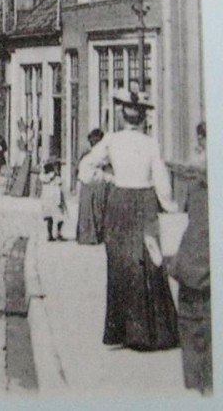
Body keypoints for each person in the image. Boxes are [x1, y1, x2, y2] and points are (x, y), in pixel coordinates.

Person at [79, 88, 179, 351]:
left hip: (119, 202)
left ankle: (122, 331)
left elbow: (85, 169)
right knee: (149, 260)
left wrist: (109, 179)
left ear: (122, 116)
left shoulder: (111, 141)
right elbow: (162, 183)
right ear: (143, 118)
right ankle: (153, 332)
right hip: (145, 201)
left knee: (121, 262)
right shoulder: (150, 143)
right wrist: (169, 206)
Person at [160, 122, 211, 395]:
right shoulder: (199, 183)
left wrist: (178, 265)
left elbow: (198, 250)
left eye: (201, 143)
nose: (195, 149)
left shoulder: (203, 188)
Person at [76, 129, 113, 245]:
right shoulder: (99, 154)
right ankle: (95, 235)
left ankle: (87, 235)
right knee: (97, 210)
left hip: (87, 183)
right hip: (95, 182)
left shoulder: (89, 154)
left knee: (88, 210)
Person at [39, 159, 66, 242]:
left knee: (49, 218)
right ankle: (58, 233)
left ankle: (49, 235)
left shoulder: (43, 177)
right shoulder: (56, 177)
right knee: (60, 217)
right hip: (56, 199)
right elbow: (60, 183)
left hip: (47, 200)